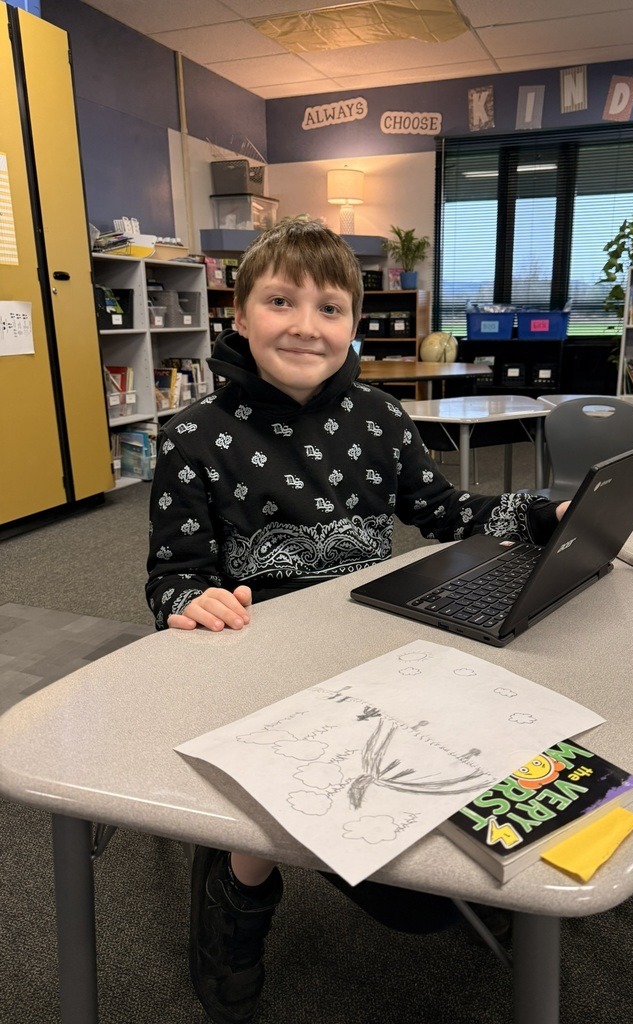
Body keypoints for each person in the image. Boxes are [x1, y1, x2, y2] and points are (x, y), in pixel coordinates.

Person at [146, 218, 568, 1024]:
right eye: (280, 301)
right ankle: (235, 884)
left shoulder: (379, 416)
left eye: (329, 308)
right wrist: (188, 601)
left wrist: (542, 512)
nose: (306, 324)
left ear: (352, 325)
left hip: (377, 648)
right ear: (238, 316)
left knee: (429, 892)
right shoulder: (194, 436)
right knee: (271, 829)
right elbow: (173, 576)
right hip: (259, 662)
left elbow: (442, 511)